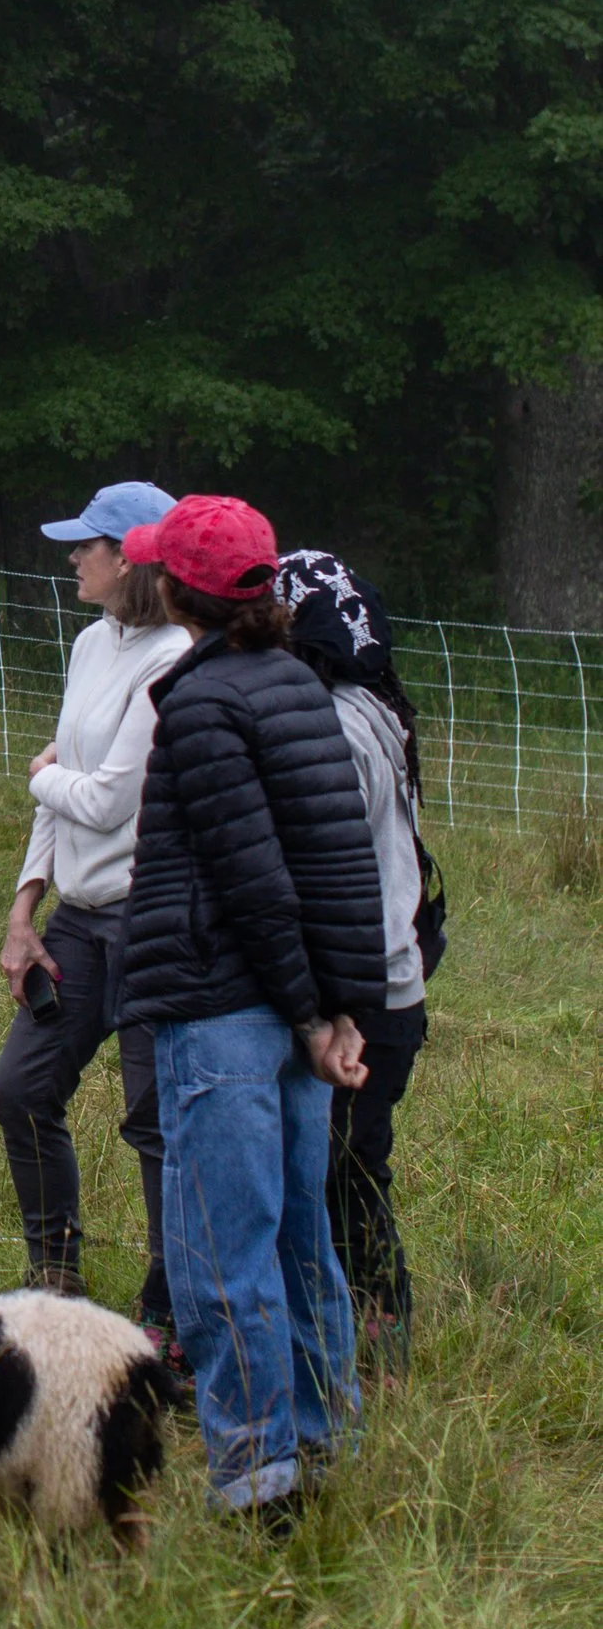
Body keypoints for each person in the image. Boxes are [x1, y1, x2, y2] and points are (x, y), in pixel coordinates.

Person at [118, 493, 388, 1526]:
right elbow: (341, 868)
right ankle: (324, 1446)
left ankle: (255, 1479)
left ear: (176, 589)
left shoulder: (200, 703)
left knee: (219, 1251)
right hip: (291, 1011)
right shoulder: (293, 684)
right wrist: (336, 1008)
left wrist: (313, 1010)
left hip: (225, 1006)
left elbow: (254, 878)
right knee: (297, 1241)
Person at [0, 480, 189, 1323]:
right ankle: (56, 1276)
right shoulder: (89, 643)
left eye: (88, 545)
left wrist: (45, 775)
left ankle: (168, 1308)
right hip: (77, 919)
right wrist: (23, 909)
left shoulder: (176, 658)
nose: (73, 557)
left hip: (153, 923)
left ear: (132, 557)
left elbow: (112, 799)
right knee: (22, 1089)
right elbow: (69, 792)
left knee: (155, 1125)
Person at [278, 547, 436, 1362]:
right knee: (349, 1167)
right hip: (386, 982)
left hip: (360, 990)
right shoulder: (376, 708)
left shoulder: (338, 724)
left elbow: (318, 855)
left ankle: (375, 1337)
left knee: (341, 1172)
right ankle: (366, 1333)